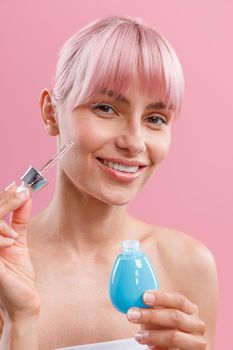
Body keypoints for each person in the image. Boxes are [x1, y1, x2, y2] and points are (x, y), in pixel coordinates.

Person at [0, 15, 218, 350]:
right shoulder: (6, 268)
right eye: (106, 108)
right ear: (51, 112)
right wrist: (21, 320)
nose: (134, 141)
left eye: (155, 118)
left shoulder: (190, 264)